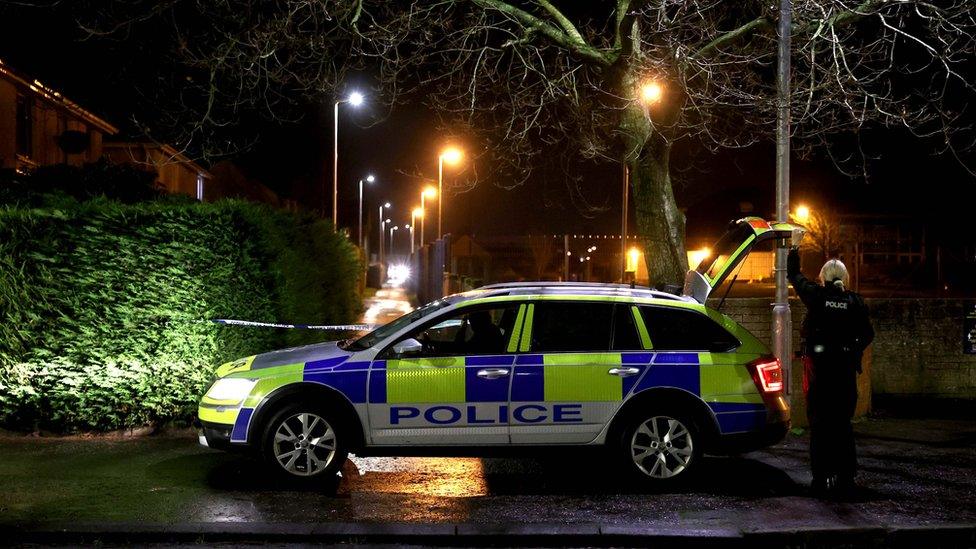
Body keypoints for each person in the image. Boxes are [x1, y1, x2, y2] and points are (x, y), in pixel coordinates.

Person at [787, 247, 874, 498]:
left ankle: (821, 478)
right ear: (844, 278)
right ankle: (846, 478)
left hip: (821, 375)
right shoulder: (856, 302)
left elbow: (795, 275)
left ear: (823, 277)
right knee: (843, 426)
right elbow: (868, 334)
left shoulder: (817, 296)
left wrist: (794, 250)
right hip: (845, 375)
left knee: (820, 426)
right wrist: (852, 351)